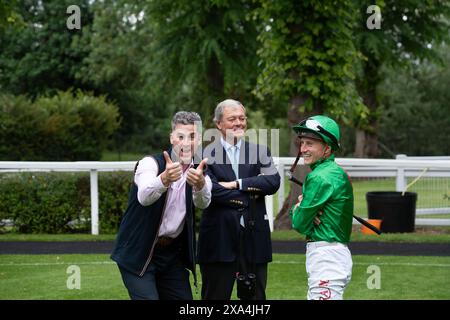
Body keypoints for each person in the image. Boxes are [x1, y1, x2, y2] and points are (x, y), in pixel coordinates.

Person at [111, 111, 211, 300]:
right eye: (181, 136)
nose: (186, 142)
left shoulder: (200, 171)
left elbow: (204, 203)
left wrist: (200, 184)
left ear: (198, 140)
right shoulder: (150, 164)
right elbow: (144, 197)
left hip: (172, 255)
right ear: (172, 138)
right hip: (138, 251)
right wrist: (164, 179)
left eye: (192, 136)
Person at [197, 99, 280, 300]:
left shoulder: (260, 151)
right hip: (219, 239)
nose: (238, 123)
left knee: (255, 301)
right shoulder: (203, 154)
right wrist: (250, 194)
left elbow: (273, 182)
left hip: (254, 238)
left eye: (242, 118)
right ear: (218, 124)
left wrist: (237, 184)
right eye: (232, 119)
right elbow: (212, 191)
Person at [289, 115, 353, 300]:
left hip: (326, 258)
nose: (303, 149)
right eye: (302, 143)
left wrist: (299, 208)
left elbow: (300, 223)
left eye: (310, 143)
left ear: (327, 148)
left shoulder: (319, 177)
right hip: (334, 256)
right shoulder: (335, 171)